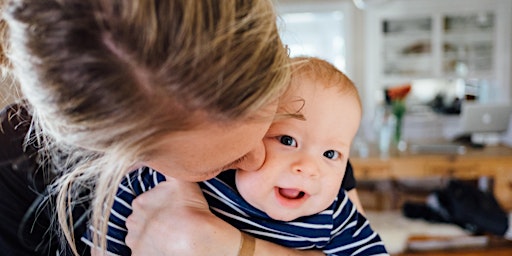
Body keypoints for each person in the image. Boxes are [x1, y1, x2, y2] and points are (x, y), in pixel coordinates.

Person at [0, 0, 326, 255]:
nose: (261, 159)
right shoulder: (13, 179)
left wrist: (237, 249)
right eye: (219, 164)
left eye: (272, 125)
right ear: (115, 151)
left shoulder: (304, 110)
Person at [91, 57, 388, 255]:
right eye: (287, 140)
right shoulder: (178, 177)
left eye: (330, 153)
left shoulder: (333, 215)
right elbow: (103, 243)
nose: (309, 168)